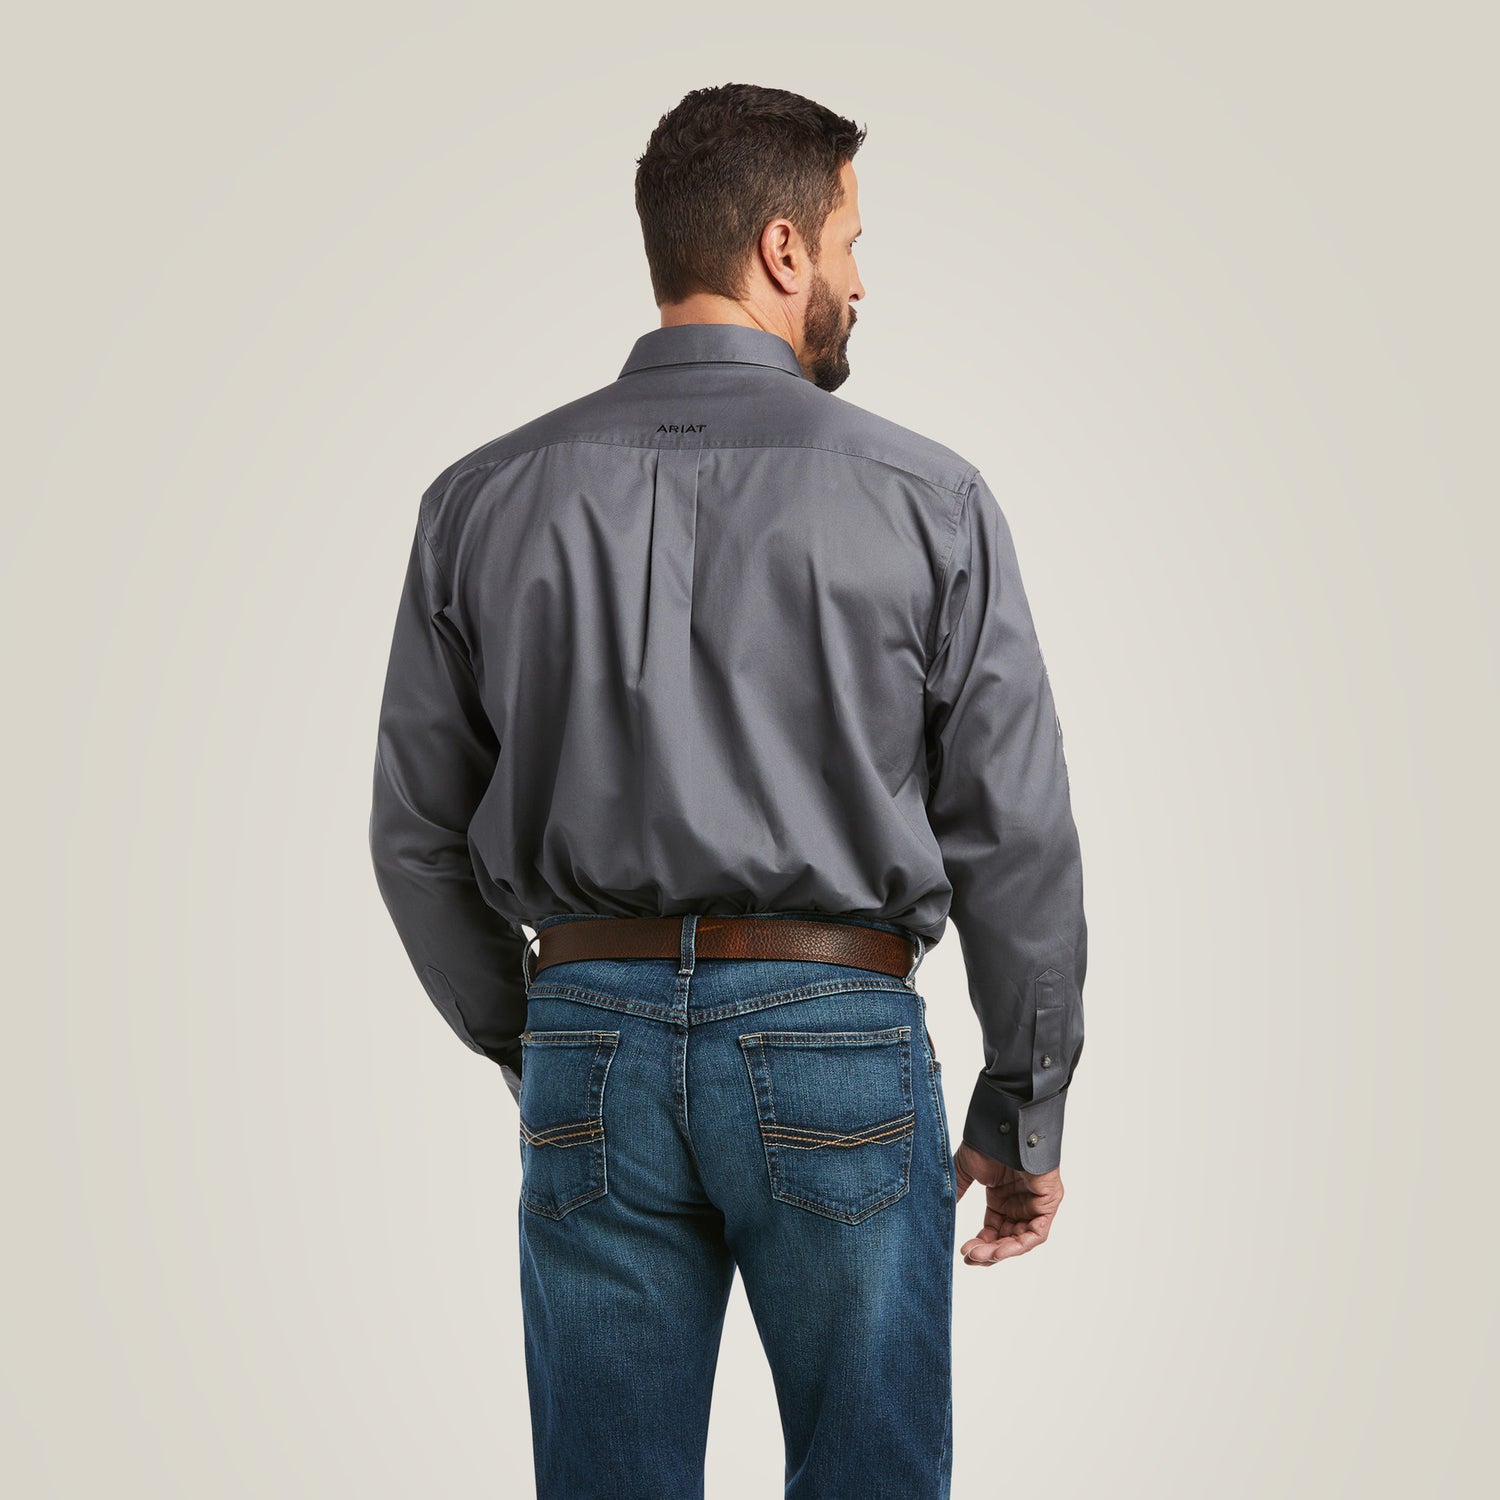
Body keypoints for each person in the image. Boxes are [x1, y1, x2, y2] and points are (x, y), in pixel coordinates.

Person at [369, 80, 1088, 1500]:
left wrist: (545, 1039)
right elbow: (1015, 833)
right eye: (850, 243)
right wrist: (1022, 1108)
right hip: (836, 1034)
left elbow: (414, 837)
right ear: (779, 250)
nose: (860, 278)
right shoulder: (928, 498)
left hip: (591, 1043)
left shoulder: (481, 498)